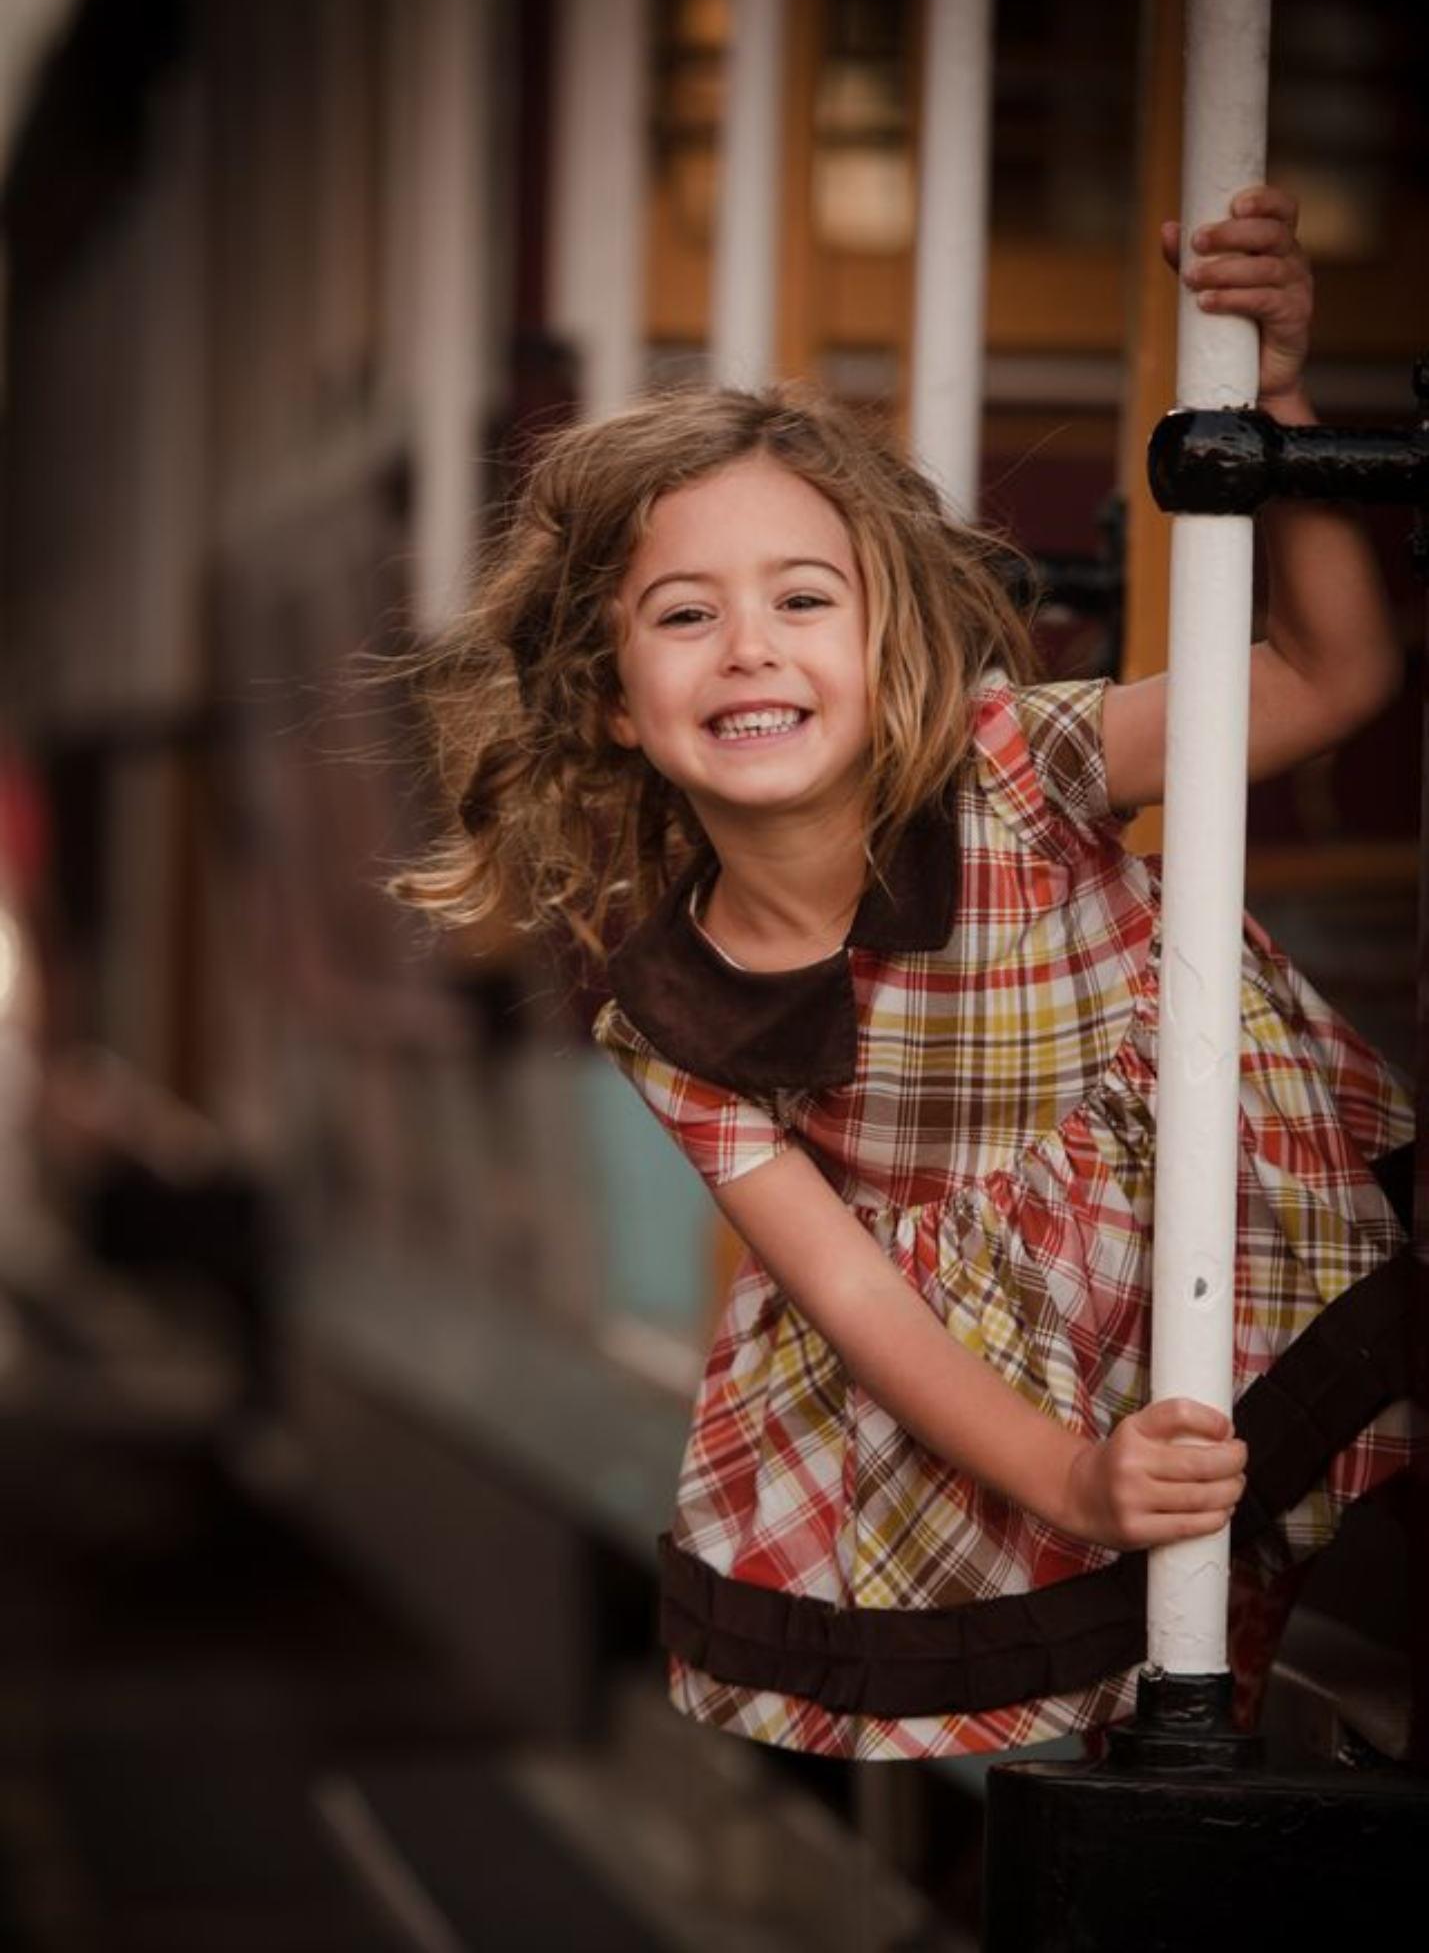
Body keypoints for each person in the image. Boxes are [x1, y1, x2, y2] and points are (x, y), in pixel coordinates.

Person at [399, 188, 1412, 1760]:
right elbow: (855, 1289)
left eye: (804, 601)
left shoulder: (1020, 764)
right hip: (1023, 1391)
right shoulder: (668, 1014)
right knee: (1179, 1713)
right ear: (610, 700)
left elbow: (1333, 674)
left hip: (1264, 1251)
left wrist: (1277, 401)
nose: (750, 646)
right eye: (687, 615)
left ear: (891, 643)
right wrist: (1069, 1479)